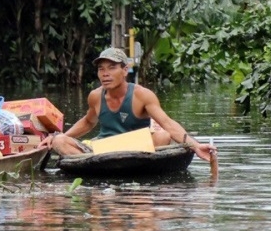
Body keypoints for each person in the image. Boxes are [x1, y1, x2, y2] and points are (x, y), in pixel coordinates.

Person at [39, 47, 217, 161]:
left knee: (162, 136)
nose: (105, 74)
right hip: (103, 148)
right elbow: (88, 122)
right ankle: (98, 164)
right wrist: (57, 136)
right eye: (101, 69)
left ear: (125, 70)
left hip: (135, 148)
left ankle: (109, 164)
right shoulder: (95, 96)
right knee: (60, 141)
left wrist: (195, 145)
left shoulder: (142, 95)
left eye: (112, 68)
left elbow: (167, 123)